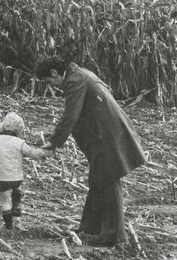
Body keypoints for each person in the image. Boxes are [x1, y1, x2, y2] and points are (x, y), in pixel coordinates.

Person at [38, 56, 146, 248]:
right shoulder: (80, 74)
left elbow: (71, 115)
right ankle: (90, 228)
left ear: (55, 73)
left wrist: (54, 143)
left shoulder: (75, 80)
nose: (52, 86)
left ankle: (113, 236)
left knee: (108, 180)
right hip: (105, 134)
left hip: (106, 135)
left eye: (49, 81)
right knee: (98, 180)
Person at [0, 112, 50, 230]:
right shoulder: (19, 143)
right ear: (20, 130)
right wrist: (46, 151)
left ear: (3, 125)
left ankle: (8, 226)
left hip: (0, 178)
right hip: (16, 178)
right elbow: (33, 153)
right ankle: (17, 204)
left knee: (5, 201)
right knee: (16, 188)